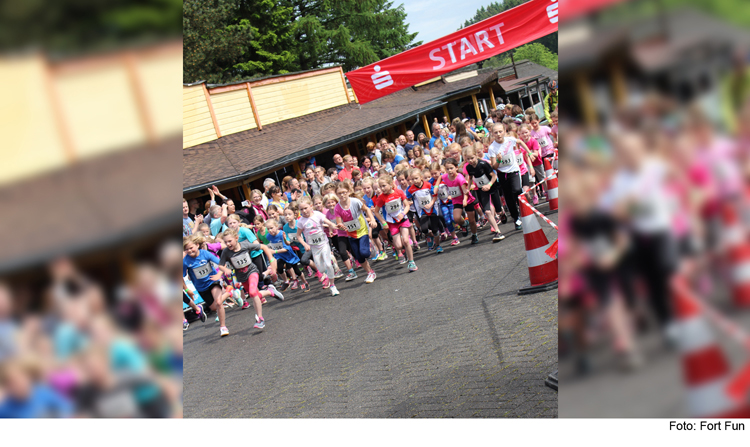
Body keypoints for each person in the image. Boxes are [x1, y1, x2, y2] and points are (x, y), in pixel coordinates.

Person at [217, 230, 284, 329]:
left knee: (252, 293)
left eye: (230, 241)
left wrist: (271, 259)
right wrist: (225, 269)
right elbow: (220, 265)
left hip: (252, 271)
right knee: (255, 295)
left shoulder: (245, 245)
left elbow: (263, 247)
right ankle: (270, 292)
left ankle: (260, 319)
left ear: (236, 238)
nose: (228, 244)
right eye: (225, 242)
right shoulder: (226, 252)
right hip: (242, 277)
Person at [183, 234, 230, 337]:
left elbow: (222, 263)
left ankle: (223, 327)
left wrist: (219, 274)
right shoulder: (185, 261)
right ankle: (230, 292)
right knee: (214, 308)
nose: (190, 251)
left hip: (212, 281)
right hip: (201, 287)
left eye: (191, 248)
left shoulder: (205, 253)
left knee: (218, 303)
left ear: (197, 245)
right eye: (187, 250)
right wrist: (187, 290)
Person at [333, 181, 378, 284]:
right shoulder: (337, 208)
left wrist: (372, 220)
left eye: (344, 192)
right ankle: (370, 272)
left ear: (348, 192)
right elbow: (339, 221)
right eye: (339, 193)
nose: (342, 195)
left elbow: (366, 209)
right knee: (359, 256)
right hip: (350, 234)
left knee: (364, 253)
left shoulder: (355, 201)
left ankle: (370, 246)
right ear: (336, 194)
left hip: (362, 230)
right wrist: (340, 226)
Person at [295, 197, 341, 296]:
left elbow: (327, 221)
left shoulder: (318, 214)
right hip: (314, 248)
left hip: (324, 243)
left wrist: (333, 226)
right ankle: (330, 261)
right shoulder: (301, 221)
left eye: (306, 208)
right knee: (320, 269)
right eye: (301, 209)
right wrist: (305, 244)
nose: (304, 211)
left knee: (328, 265)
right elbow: (298, 235)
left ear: (311, 206)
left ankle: (332, 286)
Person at [373, 173, 418, 272]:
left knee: (406, 241)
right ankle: (401, 251)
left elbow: (407, 205)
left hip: (402, 219)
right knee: (398, 246)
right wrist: (383, 222)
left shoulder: (399, 192)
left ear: (390, 184)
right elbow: (376, 211)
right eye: (380, 187)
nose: (382, 188)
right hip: (392, 222)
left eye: (384, 186)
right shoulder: (381, 198)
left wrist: (403, 213)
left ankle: (411, 262)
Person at [488, 123, 527, 230]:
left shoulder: (510, 140)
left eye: (500, 131)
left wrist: (529, 152)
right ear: (492, 134)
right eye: (495, 132)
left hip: (514, 170)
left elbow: (520, 141)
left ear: (504, 131)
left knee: (517, 189)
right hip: (502, 174)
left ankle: (523, 208)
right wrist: (499, 160)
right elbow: (494, 166)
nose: (498, 134)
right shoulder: (492, 148)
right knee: (508, 198)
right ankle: (516, 218)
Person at [463, 144, 505, 242]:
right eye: (468, 159)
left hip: (492, 187)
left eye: (472, 158)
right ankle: (497, 231)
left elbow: (494, 176)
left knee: (498, 211)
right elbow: (470, 178)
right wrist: (468, 189)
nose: (470, 161)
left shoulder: (483, 164)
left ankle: (502, 212)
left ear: (476, 156)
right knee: (487, 211)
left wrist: (489, 185)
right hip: (481, 190)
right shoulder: (469, 167)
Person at [442, 157, 479, 244]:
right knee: (457, 218)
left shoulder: (460, 178)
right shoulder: (445, 177)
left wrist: (465, 200)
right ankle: (464, 224)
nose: (450, 171)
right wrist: (436, 186)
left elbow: (465, 191)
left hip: (467, 200)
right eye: (447, 169)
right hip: (456, 200)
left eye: (451, 168)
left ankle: (474, 234)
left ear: (456, 168)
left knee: (472, 221)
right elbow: (440, 177)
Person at [407, 168, 443, 253]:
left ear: (421, 177)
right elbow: (407, 199)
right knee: (424, 229)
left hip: (433, 210)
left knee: (434, 229)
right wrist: (409, 203)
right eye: (412, 179)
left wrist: (431, 204)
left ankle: (438, 245)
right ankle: (430, 237)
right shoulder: (410, 190)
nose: (414, 181)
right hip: (422, 211)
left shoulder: (428, 185)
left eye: (416, 178)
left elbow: (435, 196)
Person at [265, 219, 306, 292]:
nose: (270, 230)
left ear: (276, 226)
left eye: (271, 228)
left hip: (288, 255)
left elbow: (286, 249)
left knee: (297, 271)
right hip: (279, 256)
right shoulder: (268, 236)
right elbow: (272, 246)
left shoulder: (282, 234)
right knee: (279, 268)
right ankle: (286, 281)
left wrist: (274, 251)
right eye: (268, 229)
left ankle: (304, 281)